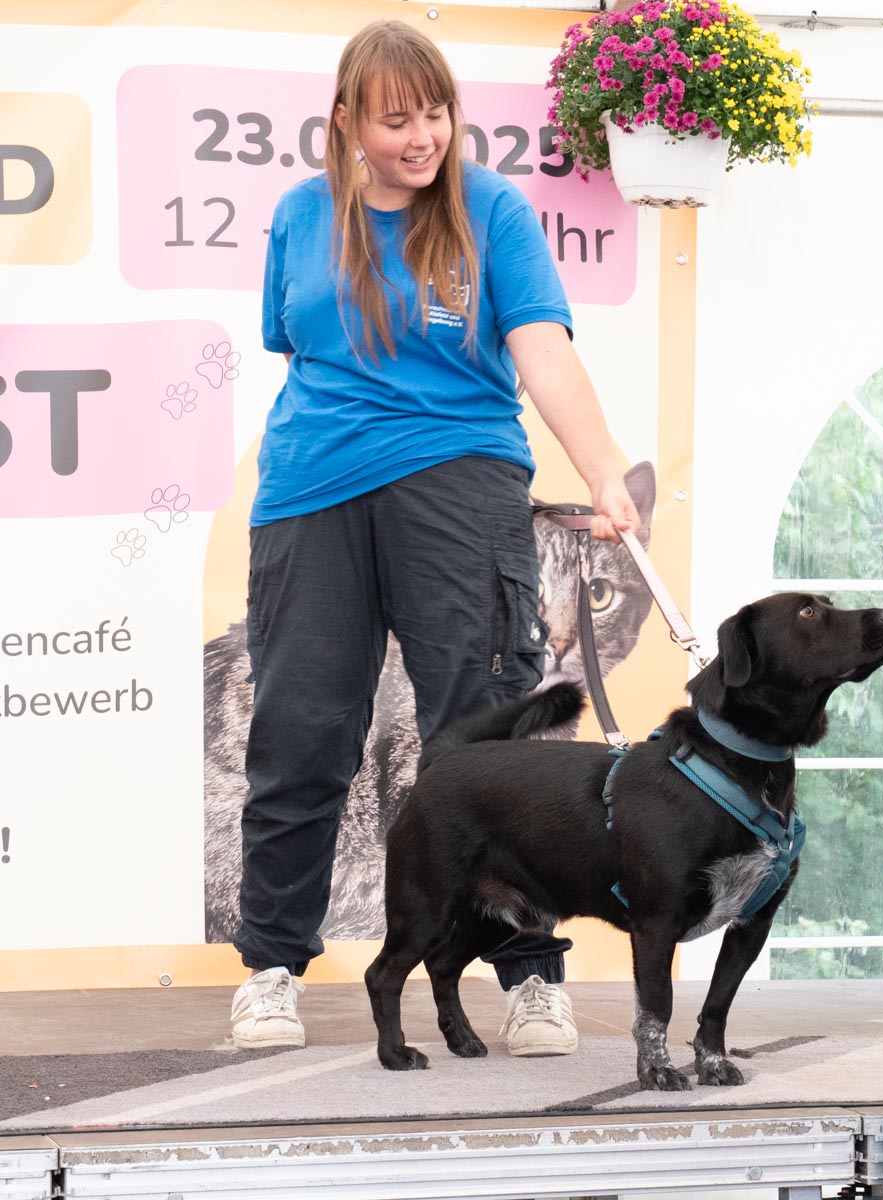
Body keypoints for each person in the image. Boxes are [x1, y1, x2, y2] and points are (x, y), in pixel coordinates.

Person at [228, 20, 641, 1057]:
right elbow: (299, 349)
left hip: (459, 478)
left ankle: (530, 976)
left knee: (492, 736)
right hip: (311, 491)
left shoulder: (491, 209)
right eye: (396, 120)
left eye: (437, 114)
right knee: (300, 730)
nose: (422, 138)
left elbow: (542, 351)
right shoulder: (300, 215)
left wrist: (603, 470)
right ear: (346, 122)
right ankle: (271, 967)